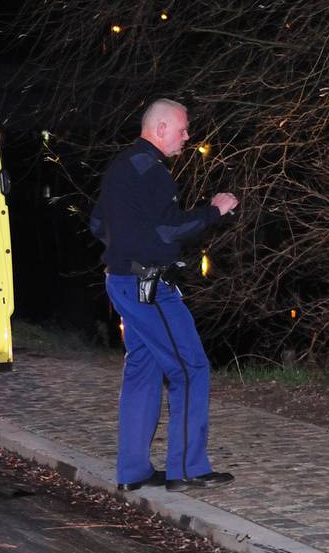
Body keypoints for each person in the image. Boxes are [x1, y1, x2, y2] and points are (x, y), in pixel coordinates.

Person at [89, 98, 239, 493]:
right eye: (183, 129)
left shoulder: (121, 166)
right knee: (190, 368)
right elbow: (169, 231)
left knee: (144, 369)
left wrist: (127, 250)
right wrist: (213, 211)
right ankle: (187, 469)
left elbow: (98, 222)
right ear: (159, 129)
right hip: (149, 288)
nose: (188, 137)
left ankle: (134, 470)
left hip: (122, 282)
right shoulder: (153, 173)